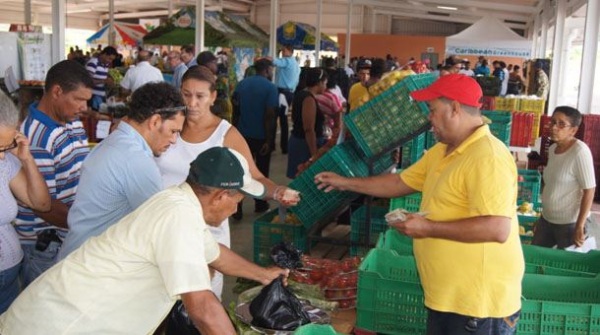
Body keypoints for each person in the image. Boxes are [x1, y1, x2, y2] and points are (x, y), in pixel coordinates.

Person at [315, 74, 524, 334]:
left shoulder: (487, 157)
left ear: (455, 108)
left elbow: (497, 228)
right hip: (448, 297)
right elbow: (400, 183)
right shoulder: (443, 150)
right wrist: (344, 183)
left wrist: (428, 228)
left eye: (433, 110)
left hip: (478, 306)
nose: (429, 118)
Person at [0, 147, 289, 335]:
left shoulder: (180, 203)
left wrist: (263, 274)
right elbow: (201, 306)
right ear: (220, 196)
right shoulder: (178, 216)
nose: (236, 209)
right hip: (61, 326)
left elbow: (215, 255)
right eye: (238, 201)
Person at [155, 66, 299, 298]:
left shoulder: (225, 134)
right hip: (165, 228)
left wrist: (278, 191)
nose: (192, 103)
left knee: (201, 303)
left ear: (212, 97)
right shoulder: (169, 125)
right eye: (186, 94)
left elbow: (254, 178)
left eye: (200, 96)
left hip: (209, 232)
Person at [58, 82, 185, 259]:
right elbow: (160, 228)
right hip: (89, 268)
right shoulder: (135, 160)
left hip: (79, 258)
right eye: (173, 131)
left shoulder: (117, 141)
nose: (174, 140)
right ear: (155, 121)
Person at [16, 60, 93, 286]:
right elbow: (42, 204)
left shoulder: (73, 123)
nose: (84, 107)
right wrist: (87, 224)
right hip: (45, 246)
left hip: (69, 233)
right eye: (79, 99)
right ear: (57, 91)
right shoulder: (37, 137)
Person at [0, 92, 51, 313]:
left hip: (10, 275)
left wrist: (26, 159)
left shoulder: (6, 163)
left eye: (6, 145)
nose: (4, 156)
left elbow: (41, 203)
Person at [532, 106, 596, 249]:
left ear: (573, 130)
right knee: (535, 257)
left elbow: (589, 190)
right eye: (553, 122)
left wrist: (579, 226)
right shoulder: (554, 149)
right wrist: (543, 216)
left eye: (561, 124)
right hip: (547, 220)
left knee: (563, 265)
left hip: (569, 224)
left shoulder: (580, 152)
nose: (554, 127)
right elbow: (553, 185)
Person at [232, 58, 279, 214]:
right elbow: (270, 115)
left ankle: (237, 206)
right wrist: (269, 139)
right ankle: (260, 204)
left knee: (240, 171)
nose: (272, 73)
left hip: (242, 136)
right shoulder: (270, 88)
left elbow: (236, 112)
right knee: (261, 171)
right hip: (261, 137)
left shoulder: (242, 84)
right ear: (266, 70)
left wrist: (234, 134)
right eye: (271, 70)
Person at [287, 68, 328, 179]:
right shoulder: (308, 99)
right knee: (305, 180)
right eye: (325, 83)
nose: (326, 86)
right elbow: (309, 129)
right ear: (319, 83)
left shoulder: (300, 94)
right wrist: (314, 154)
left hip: (298, 140)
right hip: (304, 145)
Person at [272, 45, 301, 154]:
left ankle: (277, 145)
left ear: (290, 51)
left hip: (282, 93)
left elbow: (274, 62)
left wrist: (264, 58)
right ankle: (284, 146)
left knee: (277, 118)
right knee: (282, 119)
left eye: (284, 50)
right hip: (289, 93)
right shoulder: (296, 64)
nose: (282, 52)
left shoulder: (287, 61)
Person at [197, 51, 233, 123]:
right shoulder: (217, 81)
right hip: (219, 119)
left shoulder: (200, 79)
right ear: (208, 64)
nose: (216, 64)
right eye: (214, 62)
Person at [85, 46, 118, 110]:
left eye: (112, 60)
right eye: (109, 58)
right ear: (104, 54)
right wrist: (104, 81)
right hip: (92, 97)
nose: (110, 61)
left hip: (101, 97)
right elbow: (87, 81)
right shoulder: (93, 63)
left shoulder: (105, 65)